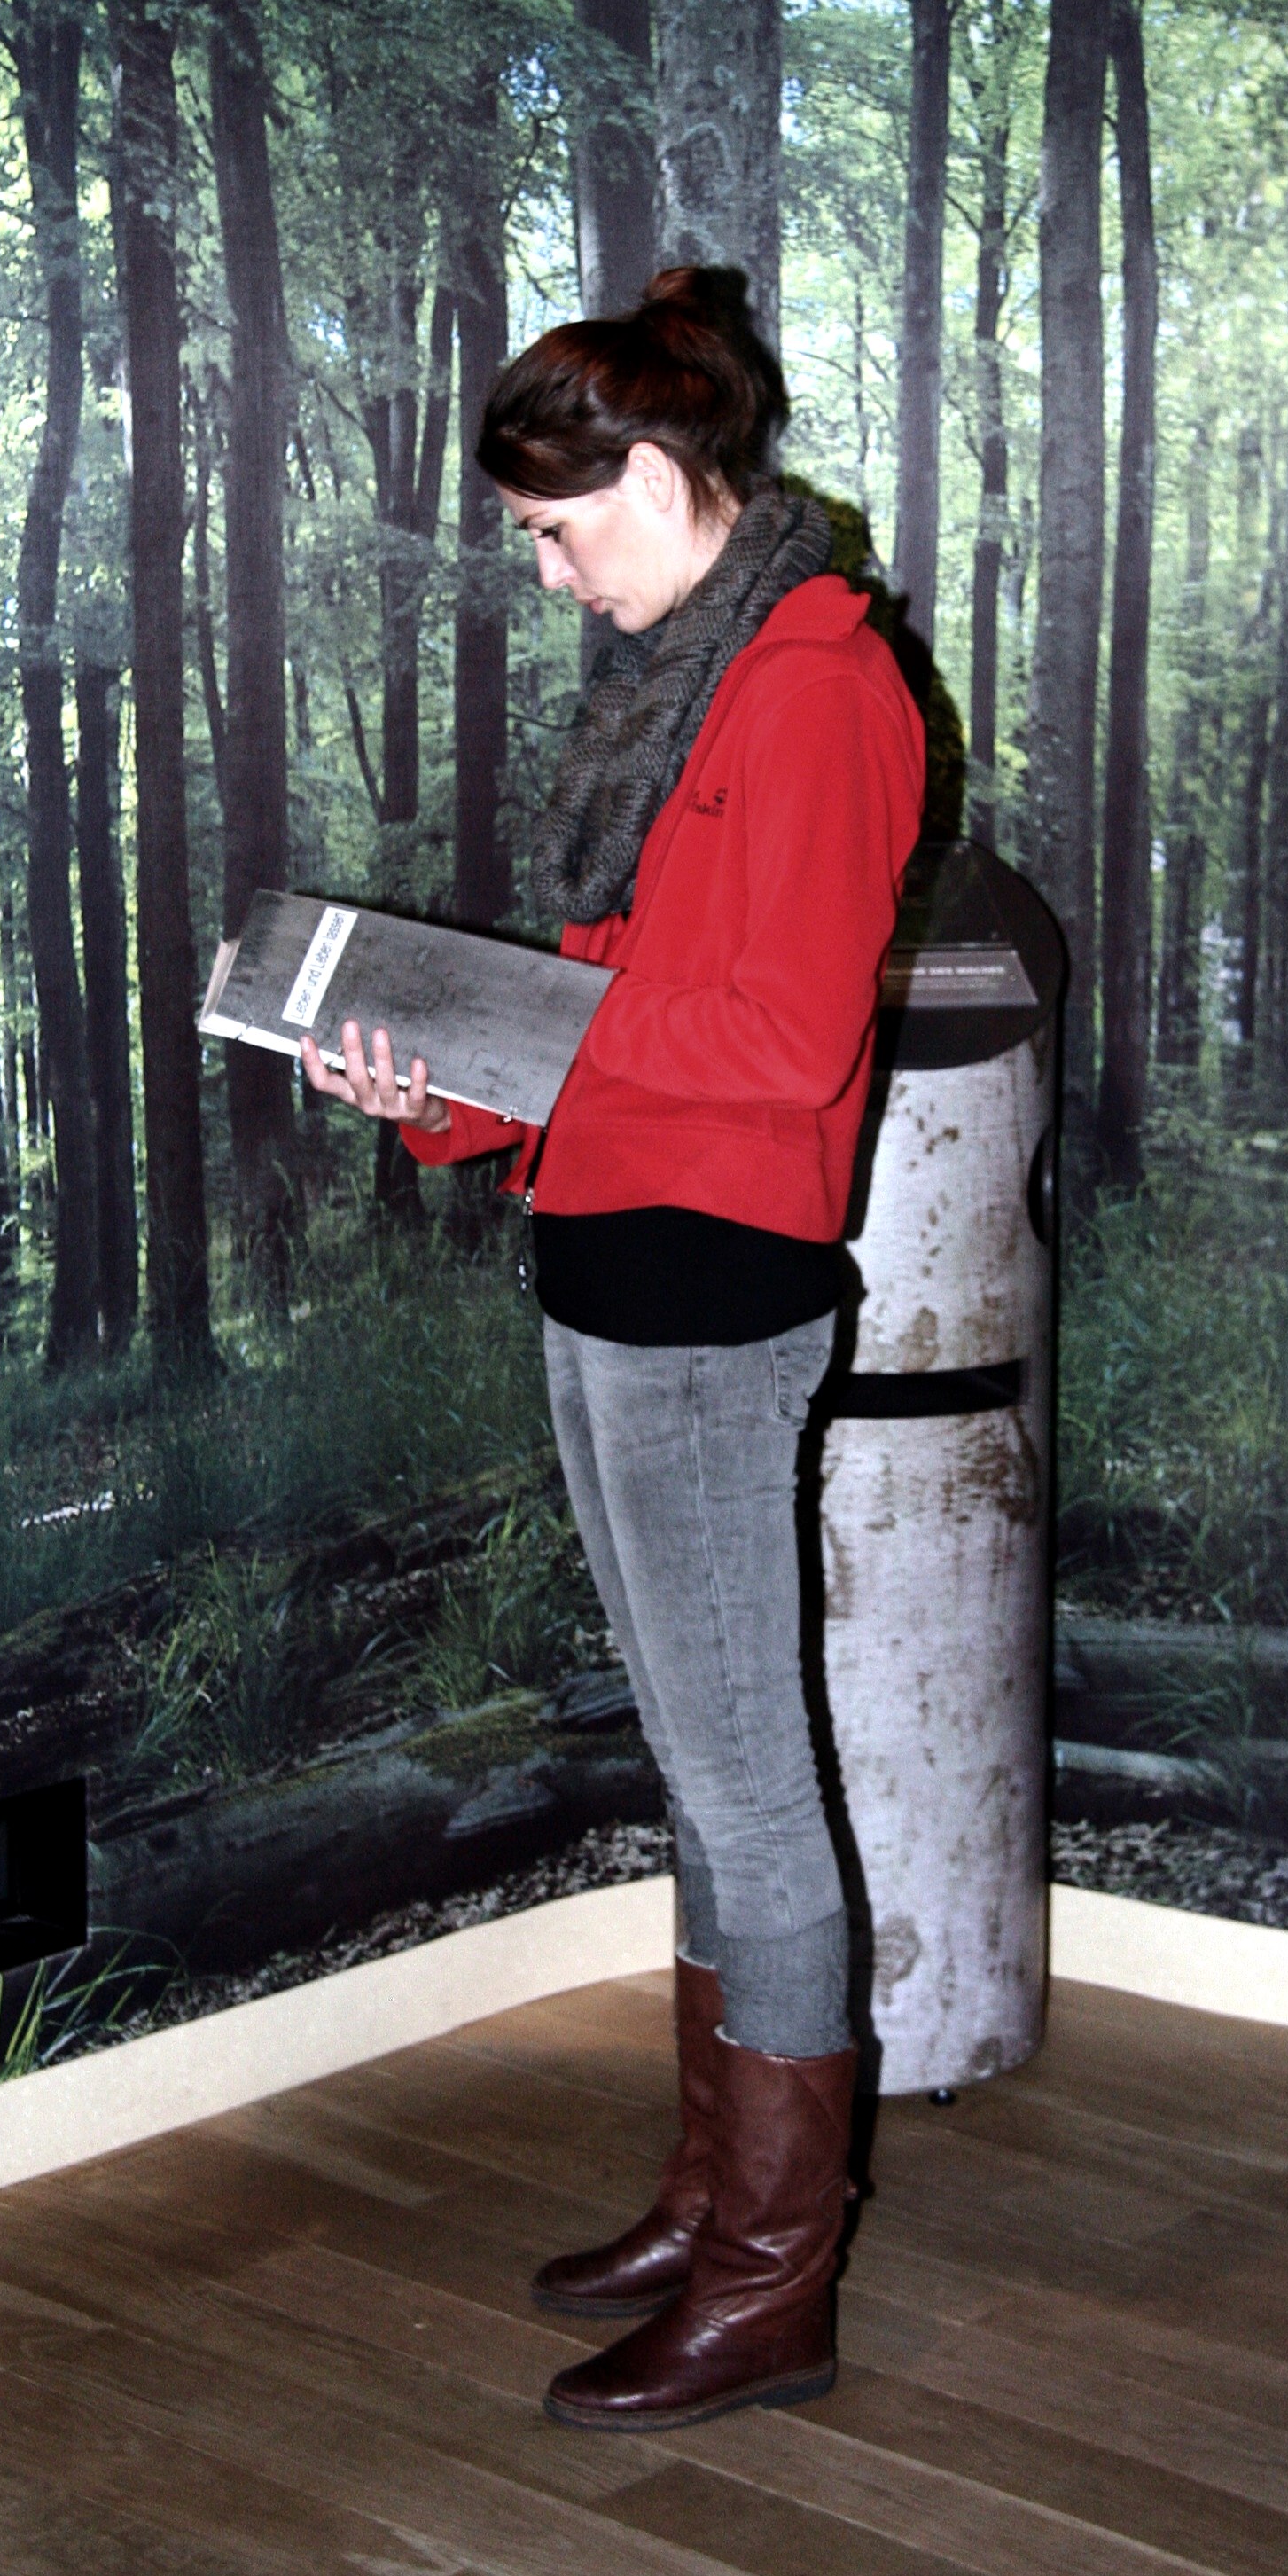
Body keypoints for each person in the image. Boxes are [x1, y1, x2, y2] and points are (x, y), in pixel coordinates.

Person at [301, 265, 925, 2431]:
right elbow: (621, 1008)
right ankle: (709, 2194)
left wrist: (530, 1029)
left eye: (559, 532)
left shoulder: (819, 689)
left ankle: (773, 2278)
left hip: (710, 1291)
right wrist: (440, 1085)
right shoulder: (691, 683)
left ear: (661, 475)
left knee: (750, 1785)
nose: (553, 575)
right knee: (704, 1763)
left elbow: (781, 1045)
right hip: (606, 1259)